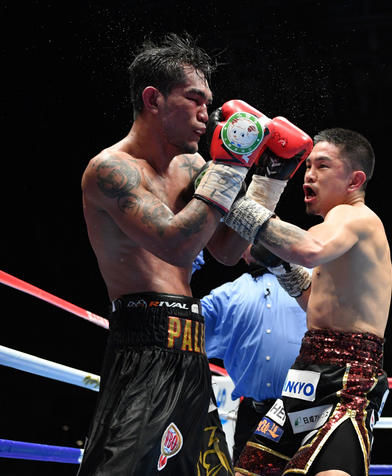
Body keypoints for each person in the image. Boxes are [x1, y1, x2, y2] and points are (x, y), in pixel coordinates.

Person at [79, 32, 313, 474]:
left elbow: (226, 250)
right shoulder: (111, 171)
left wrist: (269, 179)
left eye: (209, 102)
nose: (208, 115)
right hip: (143, 344)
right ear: (153, 99)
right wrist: (232, 165)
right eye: (195, 99)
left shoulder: (193, 167)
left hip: (191, 345)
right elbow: (176, 244)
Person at [222, 128, 392, 476]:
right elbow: (317, 304)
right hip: (306, 374)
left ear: (354, 180)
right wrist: (281, 268)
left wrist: (235, 203)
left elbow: (308, 250)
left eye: (323, 166)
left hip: (348, 378)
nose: (309, 175)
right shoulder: (337, 232)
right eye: (308, 165)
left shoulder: (354, 216)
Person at [201, 246, 308, 463]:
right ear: (242, 251)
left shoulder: (313, 282)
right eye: (250, 237)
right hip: (253, 416)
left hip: (303, 413)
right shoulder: (226, 295)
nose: (260, 241)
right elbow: (184, 324)